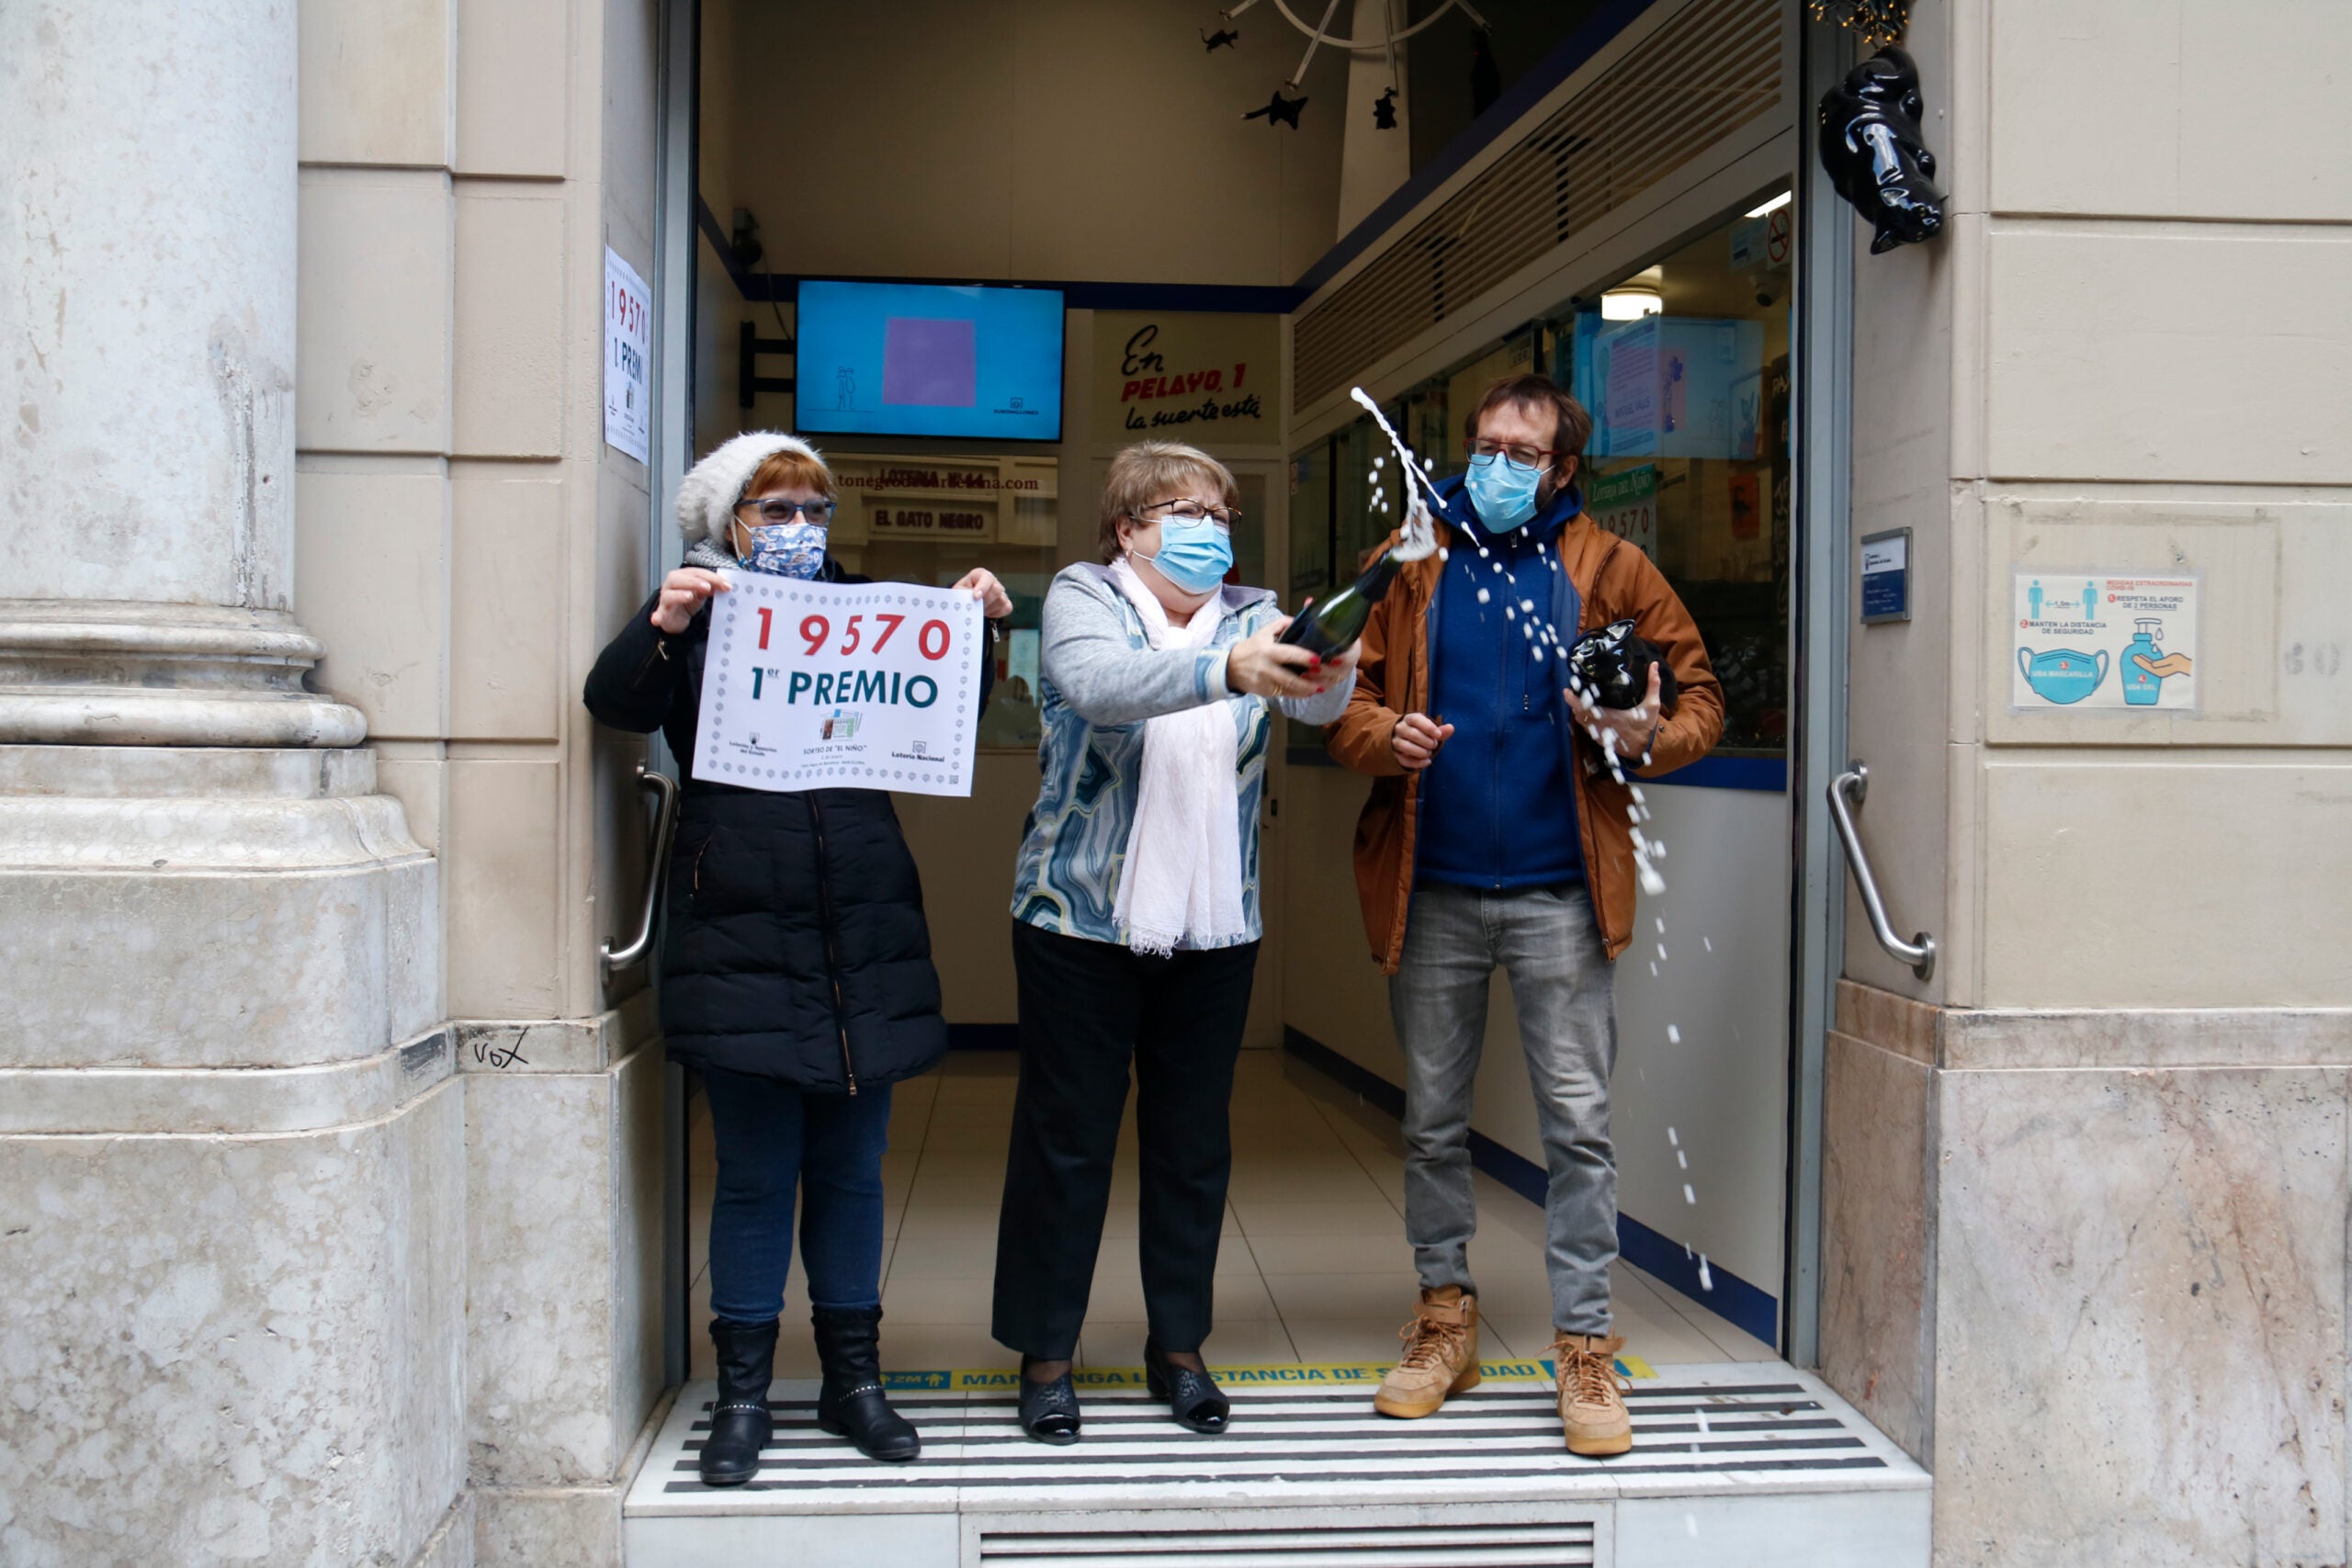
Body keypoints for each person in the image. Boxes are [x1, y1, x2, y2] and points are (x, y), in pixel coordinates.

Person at [582, 431, 1012, 1483]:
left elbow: (950, 699)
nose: (798, 530)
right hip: (740, 929)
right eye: (775, 511)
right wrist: (664, 620)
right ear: (728, 524)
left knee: (853, 1171)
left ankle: (851, 1382)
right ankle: (740, 1395)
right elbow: (613, 702)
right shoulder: (696, 619)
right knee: (755, 1175)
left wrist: (988, 629)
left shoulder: (868, 616)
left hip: (861, 925)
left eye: (813, 510)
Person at [1325, 375, 1724, 1456]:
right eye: (1485, 444)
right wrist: (1380, 736)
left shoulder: (1610, 567)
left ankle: (1584, 1349)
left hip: (1559, 892)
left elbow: (1699, 699)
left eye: (1521, 451)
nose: (1495, 466)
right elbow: (1336, 697)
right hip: (1435, 887)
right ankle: (1443, 1317)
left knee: (1578, 1130)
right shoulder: (1410, 557)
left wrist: (1641, 737)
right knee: (1431, 1122)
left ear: (1559, 471)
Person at [991, 442, 1358, 1443]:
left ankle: (1179, 1350)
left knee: (1192, 1143)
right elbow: (1098, 685)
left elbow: (1320, 702)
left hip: (1214, 921)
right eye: (1180, 510)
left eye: (1219, 511)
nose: (1207, 527)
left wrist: (1339, 644)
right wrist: (1221, 666)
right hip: (1078, 917)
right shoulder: (1082, 595)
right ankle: (1047, 1356)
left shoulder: (1256, 611)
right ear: (1127, 528)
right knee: (1067, 1142)